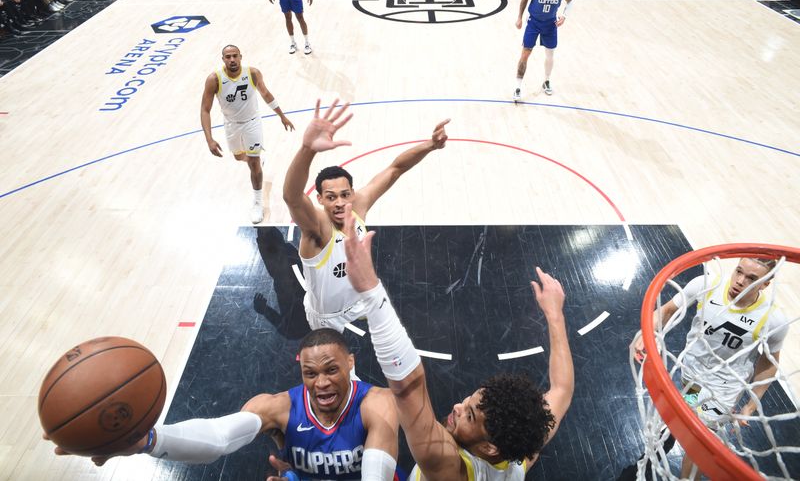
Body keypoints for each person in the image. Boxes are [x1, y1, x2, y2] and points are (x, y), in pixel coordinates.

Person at [341, 204, 575, 480]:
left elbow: (407, 389)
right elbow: (561, 388)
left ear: (489, 447)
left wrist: (371, 292)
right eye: (470, 401)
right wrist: (554, 314)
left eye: (470, 415)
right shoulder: (521, 452)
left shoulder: (450, 467)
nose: (458, 406)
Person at [48, 328, 400, 481]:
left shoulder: (377, 403)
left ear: (350, 364)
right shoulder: (278, 407)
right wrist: (148, 442)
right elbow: (219, 436)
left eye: (331, 370)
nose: (320, 383)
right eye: (310, 373)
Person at [283, 99, 449, 333]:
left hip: (358, 301)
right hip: (327, 316)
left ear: (352, 192)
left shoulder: (358, 205)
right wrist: (307, 149)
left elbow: (395, 169)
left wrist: (430, 145)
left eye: (345, 195)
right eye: (331, 197)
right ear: (319, 199)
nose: (340, 203)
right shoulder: (317, 227)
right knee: (333, 365)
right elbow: (291, 197)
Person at [632, 257, 790, 479]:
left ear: (766, 283)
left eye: (751, 278)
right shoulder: (706, 285)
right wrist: (648, 333)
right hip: (692, 370)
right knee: (689, 403)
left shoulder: (772, 319)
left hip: (723, 389)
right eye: (739, 271)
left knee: (698, 446)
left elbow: (768, 363)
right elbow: (666, 310)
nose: (740, 281)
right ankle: (681, 423)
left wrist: (750, 406)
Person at [200, 44, 295, 224]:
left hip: (252, 123)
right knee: (239, 158)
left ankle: (258, 203)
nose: (232, 60)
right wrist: (209, 139)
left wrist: (281, 115)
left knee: (253, 163)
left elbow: (266, 94)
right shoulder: (214, 79)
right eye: (228, 57)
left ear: (241, 57)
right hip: (231, 125)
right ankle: (255, 161)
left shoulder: (252, 73)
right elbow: (205, 109)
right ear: (223, 59)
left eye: (235, 56)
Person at [513, 0, 573, 101]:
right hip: (533, 23)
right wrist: (519, 18)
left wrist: (564, 16)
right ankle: (517, 87)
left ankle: (546, 80)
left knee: (550, 54)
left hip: (550, 24)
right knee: (525, 53)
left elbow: (570, 1)